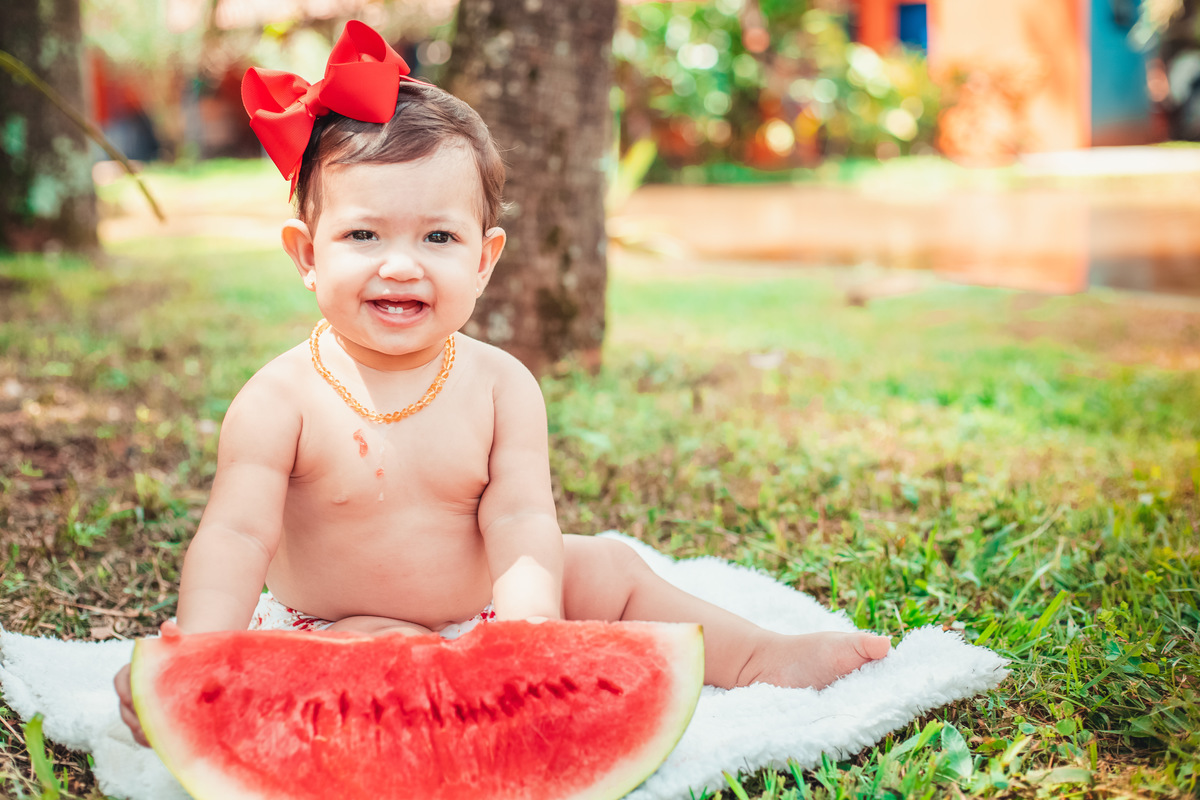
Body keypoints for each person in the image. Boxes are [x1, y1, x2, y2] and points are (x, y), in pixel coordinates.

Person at [115, 21, 890, 746]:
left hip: (491, 602)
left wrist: (527, 636)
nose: (400, 263)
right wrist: (200, 664)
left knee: (613, 570)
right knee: (378, 650)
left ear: (483, 261)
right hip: (338, 620)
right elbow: (236, 537)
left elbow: (521, 518)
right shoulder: (279, 399)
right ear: (306, 254)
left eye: (438, 237)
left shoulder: (501, 385)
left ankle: (758, 658)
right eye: (362, 234)